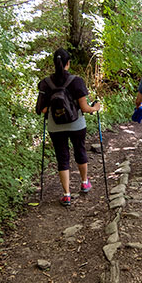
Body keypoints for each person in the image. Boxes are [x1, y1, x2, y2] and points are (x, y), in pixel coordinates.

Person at [35, 47, 101, 207]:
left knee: (62, 157)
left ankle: (66, 194)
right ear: (68, 63)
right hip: (76, 124)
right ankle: (85, 182)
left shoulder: (46, 83)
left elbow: (41, 110)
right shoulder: (76, 81)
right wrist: (96, 108)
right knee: (80, 151)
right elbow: (85, 108)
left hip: (55, 126)